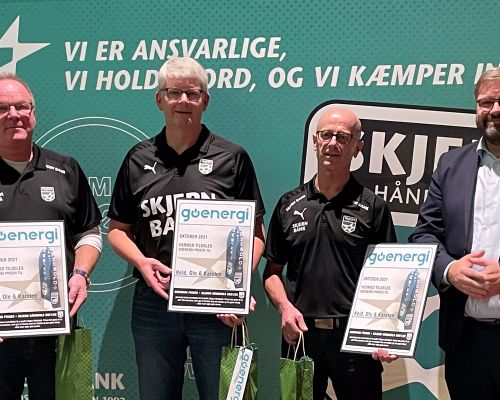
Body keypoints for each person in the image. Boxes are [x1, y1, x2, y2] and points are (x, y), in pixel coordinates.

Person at [107, 57, 265, 400]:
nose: (183, 101)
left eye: (192, 94)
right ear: (159, 99)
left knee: (223, 395)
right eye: (174, 92)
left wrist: (235, 285)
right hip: (155, 300)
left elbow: (255, 234)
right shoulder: (137, 158)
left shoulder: (232, 157)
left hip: (215, 303)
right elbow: (117, 230)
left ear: (205, 100)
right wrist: (141, 262)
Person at [263, 107, 397, 400]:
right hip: (299, 336)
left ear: (357, 147)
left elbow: (389, 280)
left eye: (343, 137)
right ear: (315, 141)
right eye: (326, 135)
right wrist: (285, 308)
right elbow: (271, 273)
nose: (332, 143)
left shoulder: (374, 208)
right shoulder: (288, 204)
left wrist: (384, 333)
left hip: (355, 340)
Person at [0, 74, 102, 400]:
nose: (14, 115)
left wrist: (81, 274)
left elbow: (89, 232)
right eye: (2, 109)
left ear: (33, 112)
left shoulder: (65, 168)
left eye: (22, 106)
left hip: (55, 327)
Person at [409, 67, 500, 400]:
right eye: (485, 102)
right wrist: (450, 270)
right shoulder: (450, 165)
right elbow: (424, 235)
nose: (494, 110)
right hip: (465, 343)